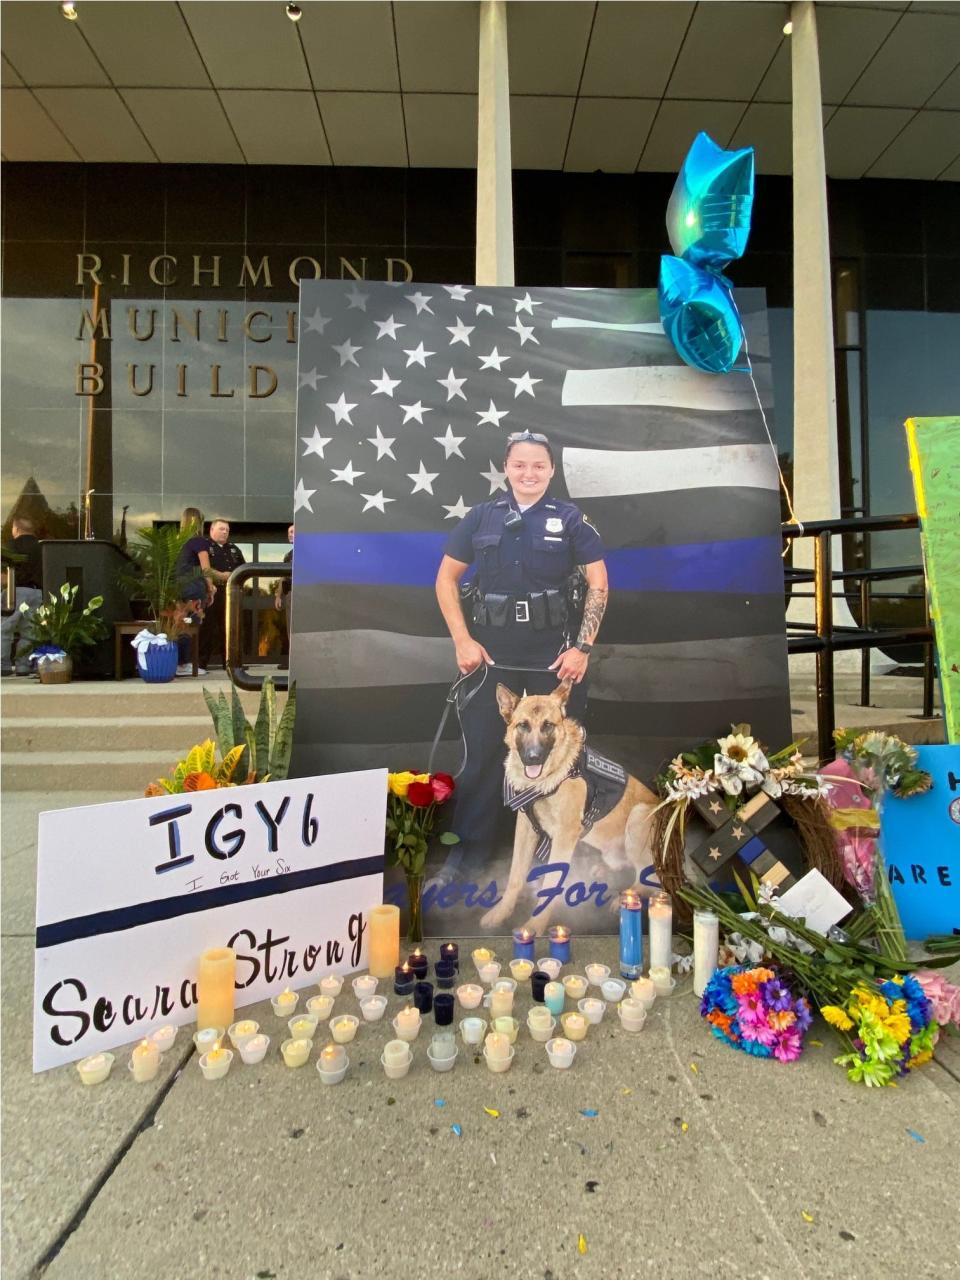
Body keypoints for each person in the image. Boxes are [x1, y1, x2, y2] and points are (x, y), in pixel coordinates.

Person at [432, 430, 609, 886]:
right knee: (482, 761)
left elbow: (598, 583)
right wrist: (462, 641)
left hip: (554, 663)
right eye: (519, 465)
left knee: (562, 764)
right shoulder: (481, 517)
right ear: (506, 468)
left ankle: (555, 862)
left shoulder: (570, 518)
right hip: (492, 660)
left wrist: (582, 648)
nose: (529, 473)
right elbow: (446, 580)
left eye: (538, 466)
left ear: (550, 470)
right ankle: (468, 860)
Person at [1, 515, 43, 676]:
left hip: (14, 591)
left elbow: (3, 574)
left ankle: (3, 665)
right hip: (36, 592)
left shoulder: (10, 546)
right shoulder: (41, 547)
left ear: (16, 528)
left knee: (4, 628)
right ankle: (23, 666)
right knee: (30, 631)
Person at [201, 518, 245, 670]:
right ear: (212, 530)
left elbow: (243, 568)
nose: (225, 532)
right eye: (221, 529)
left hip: (231, 594)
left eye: (227, 530)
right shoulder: (205, 547)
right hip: (211, 592)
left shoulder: (233, 549)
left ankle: (230, 664)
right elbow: (202, 569)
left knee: (229, 628)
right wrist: (220, 576)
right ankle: (201, 664)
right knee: (208, 627)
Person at [175, 507, 214, 677]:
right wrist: (211, 588)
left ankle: (179, 662)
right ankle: (187, 664)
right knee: (192, 624)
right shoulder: (199, 541)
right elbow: (205, 569)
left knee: (180, 624)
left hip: (177, 588)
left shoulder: (177, 542)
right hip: (193, 587)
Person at [273, 523, 294, 669]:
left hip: (307, 595)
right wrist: (278, 595)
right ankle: (292, 660)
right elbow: (282, 577)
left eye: (293, 531)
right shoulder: (288, 555)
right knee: (290, 628)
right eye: (289, 533)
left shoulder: (311, 552)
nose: (290, 534)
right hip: (290, 594)